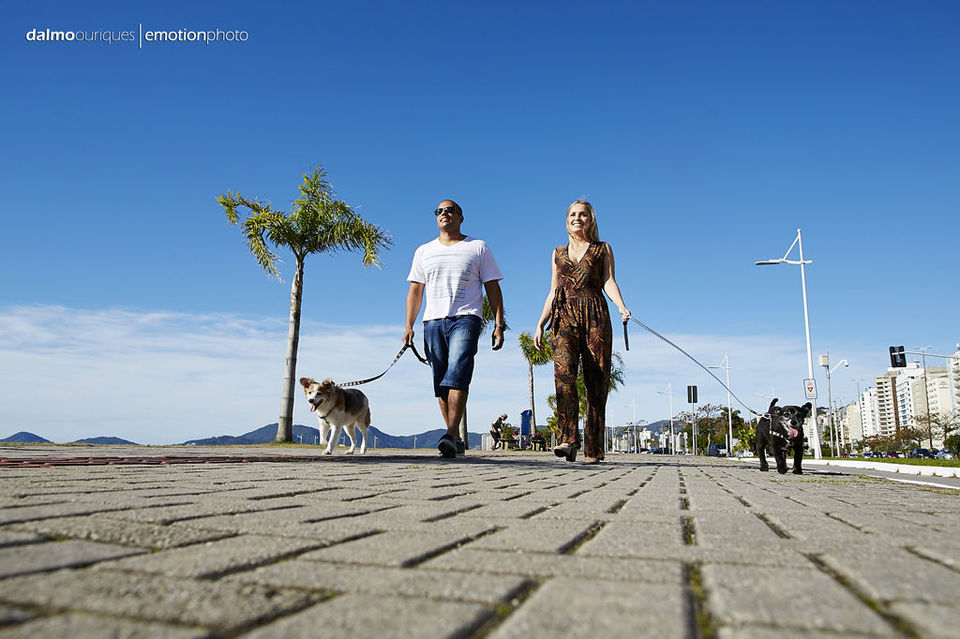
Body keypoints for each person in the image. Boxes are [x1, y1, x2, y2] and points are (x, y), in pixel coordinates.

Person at [404, 199, 505, 458]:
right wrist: (409, 326)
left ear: (460, 217)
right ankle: (455, 437)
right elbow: (415, 291)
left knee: (458, 370)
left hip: (466, 318)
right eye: (439, 211)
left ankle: (450, 433)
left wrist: (498, 323)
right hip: (432, 321)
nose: (444, 214)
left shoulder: (477, 247)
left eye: (450, 210)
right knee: (441, 381)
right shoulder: (423, 251)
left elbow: (492, 287)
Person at [534, 200, 630, 464]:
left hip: (596, 315)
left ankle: (593, 449)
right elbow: (553, 290)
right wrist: (541, 322)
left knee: (596, 383)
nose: (578, 218)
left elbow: (609, 281)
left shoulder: (602, 249)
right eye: (573, 214)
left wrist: (621, 306)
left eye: (583, 214)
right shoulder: (557, 253)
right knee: (563, 376)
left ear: (591, 219)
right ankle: (567, 439)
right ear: (567, 220)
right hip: (563, 316)